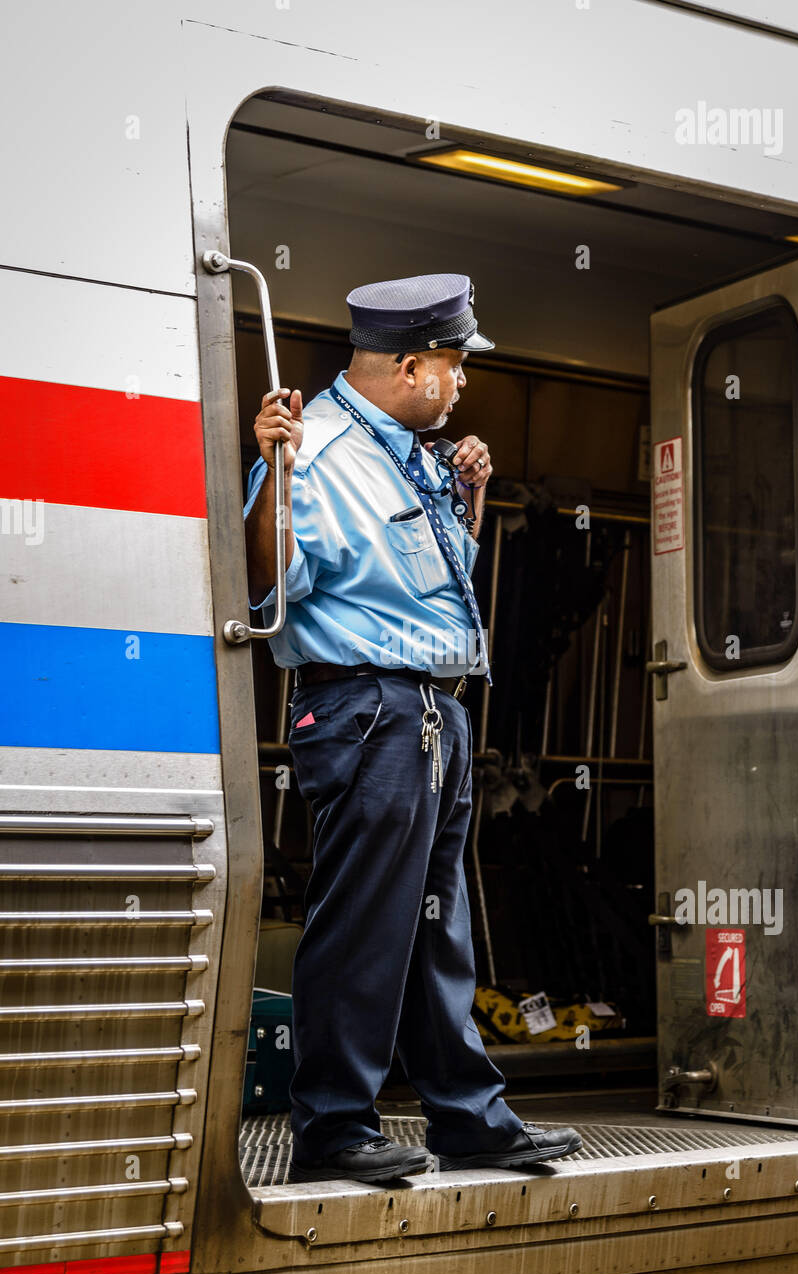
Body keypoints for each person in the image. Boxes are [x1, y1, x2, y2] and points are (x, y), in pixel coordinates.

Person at [244, 272, 582, 1182]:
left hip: (433, 710)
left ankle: (466, 1116)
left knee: (439, 925)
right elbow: (269, 590)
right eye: (453, 364)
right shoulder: (313, 451)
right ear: (405, 365)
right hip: (368, 709)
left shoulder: (406, 449)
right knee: (363, 923)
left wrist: (466, 501)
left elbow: (435, 586)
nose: (462, 381)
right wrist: (272, 476)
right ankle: (332, 1126)